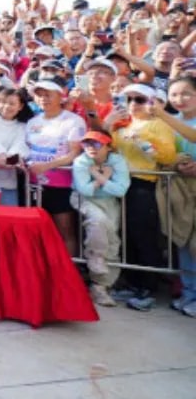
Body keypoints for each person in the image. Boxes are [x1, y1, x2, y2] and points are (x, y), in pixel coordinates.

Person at [107, 84, 176, 311]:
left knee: (144, 235)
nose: (133, 104)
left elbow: (167, 156)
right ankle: (132, 281)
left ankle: (148, 287)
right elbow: (111, 150)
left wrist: (143, 143)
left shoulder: (159, 124)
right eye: (129, 99)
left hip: (144, 183)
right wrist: (108, 127)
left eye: (139, 99)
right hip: (121, 183)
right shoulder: (124, 124)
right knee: (126, 234)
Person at [150, 75, 196, 316]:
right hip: (180, 190)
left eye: (187, 93)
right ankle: (190, 294)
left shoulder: (169, 120)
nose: (180, 99)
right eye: (175, 94)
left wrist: (163, 115)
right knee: (183, 243)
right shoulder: (170, 121)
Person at [24, 78, 86, 256]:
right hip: (34, 184)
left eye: (48, 95)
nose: (44, 99)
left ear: (61, 96)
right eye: (40, 95)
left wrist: (48, 165)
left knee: (65, 229)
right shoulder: (33, 122)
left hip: (62, 184)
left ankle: (69, 272)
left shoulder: (73, 121)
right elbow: (27, 150)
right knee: (38, 229)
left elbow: (75, 153)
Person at [71, 131, 130, 308]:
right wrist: (101, 179)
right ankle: (95, 259)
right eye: (87, 144)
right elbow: (85, 190)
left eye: (96, 144)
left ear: (108, 146)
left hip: (109, 201)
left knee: (112, 239)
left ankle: (101, 286)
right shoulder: (81, 161)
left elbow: (121, 190)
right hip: (85, 200)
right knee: (98, 223)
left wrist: (98, 176)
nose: (90, 148)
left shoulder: (117, 160)